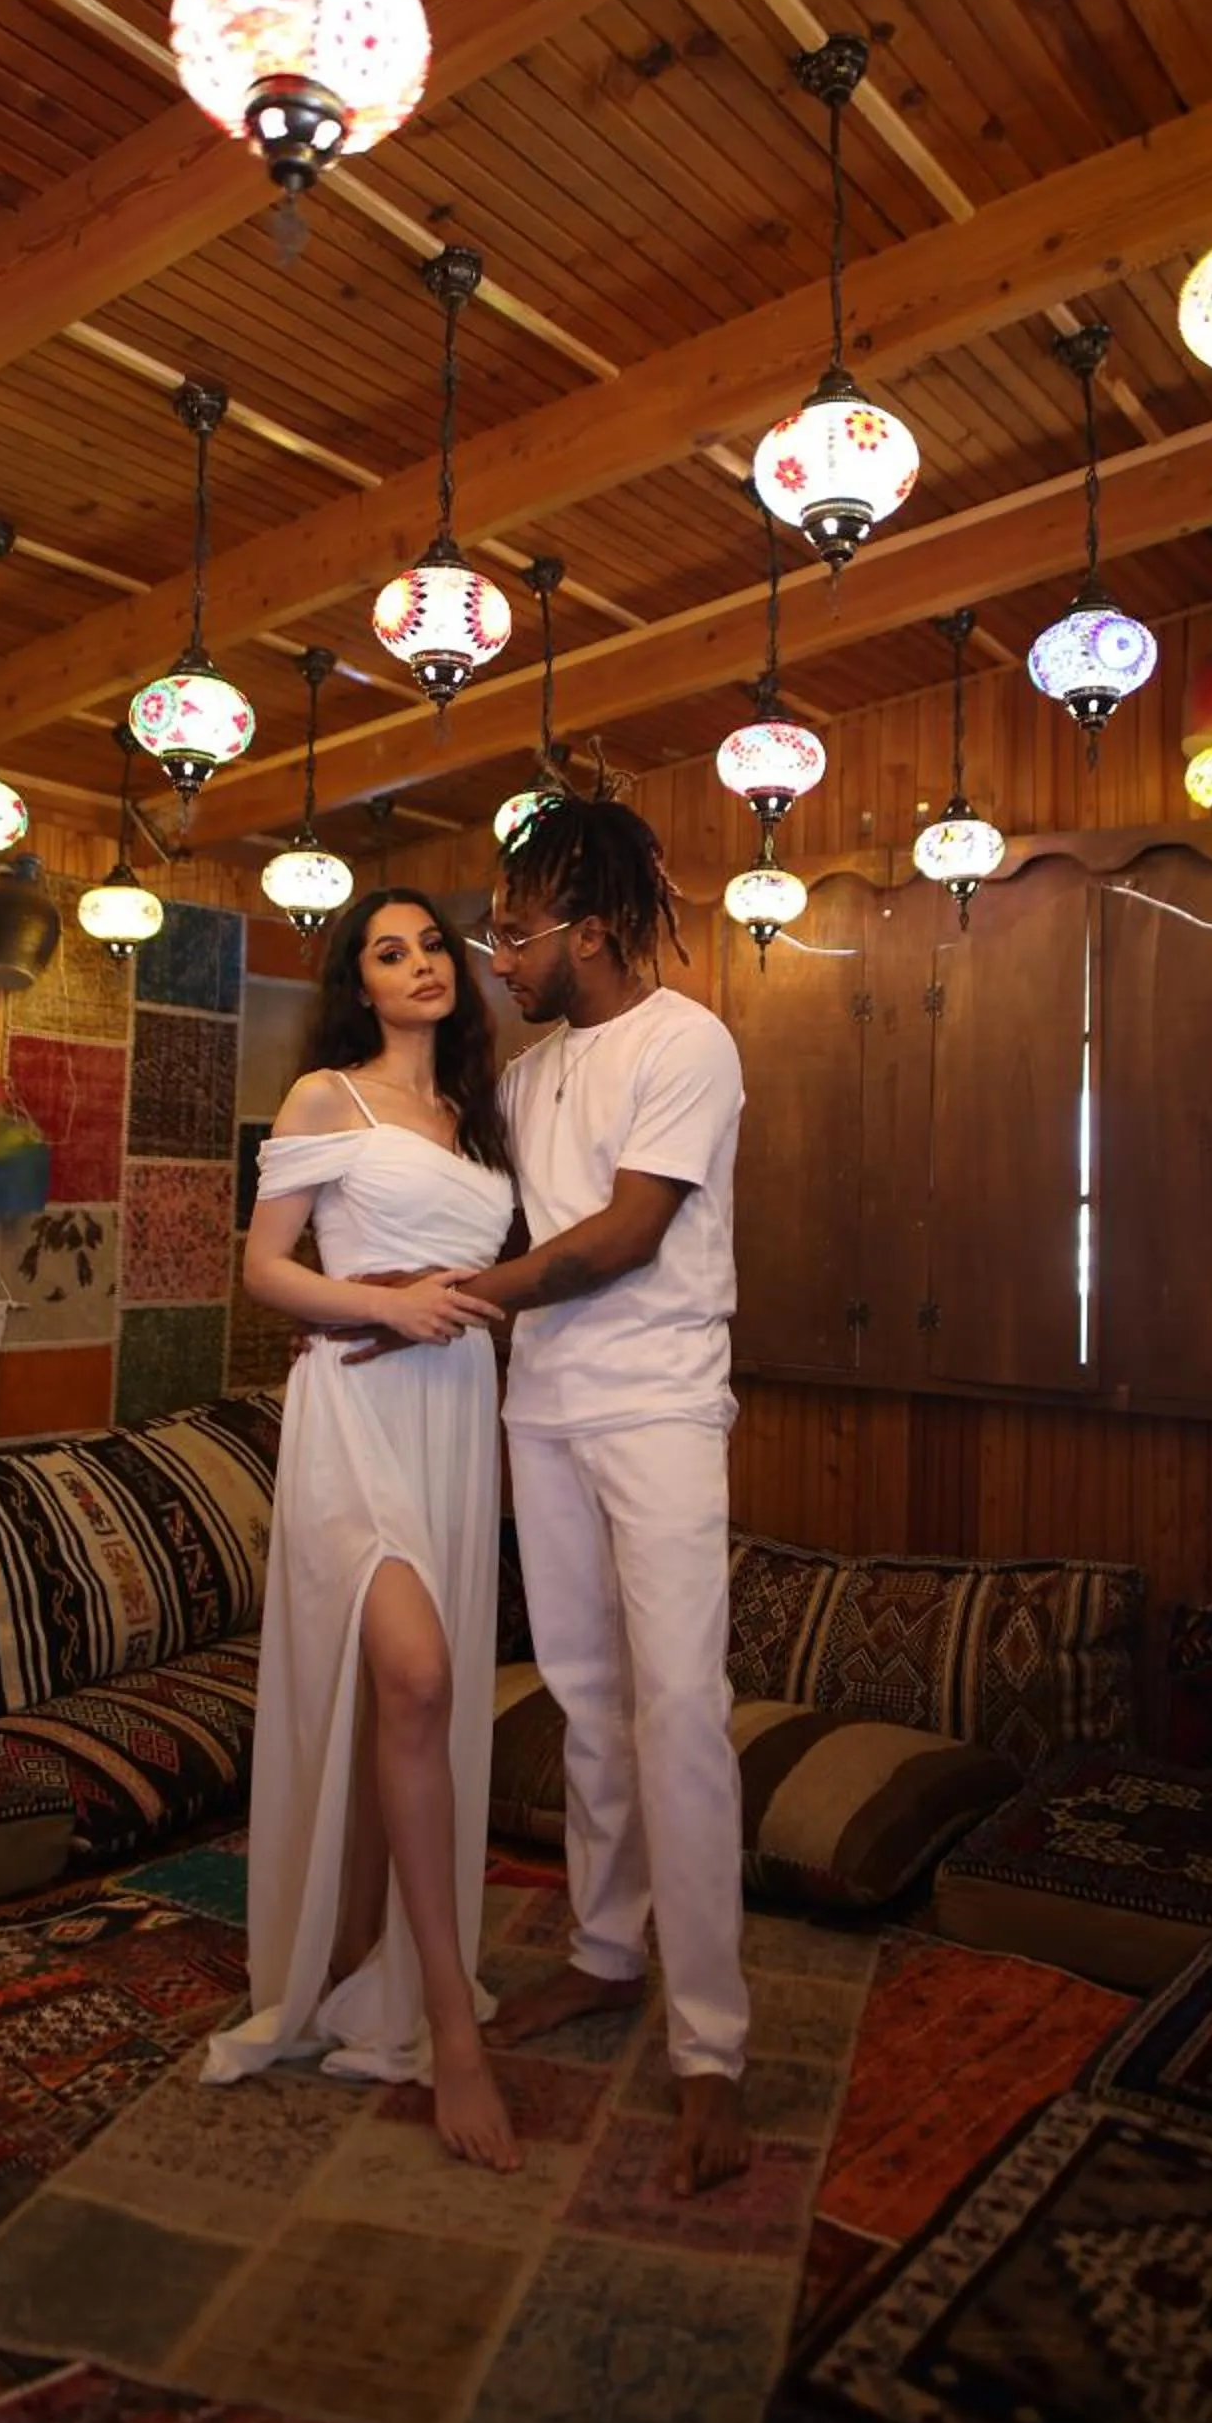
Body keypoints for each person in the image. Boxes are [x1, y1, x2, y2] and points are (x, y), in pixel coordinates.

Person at [200, 889, 519, 2173]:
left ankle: (356, 1953)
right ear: (360, 985)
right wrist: (377, 1307)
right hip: (354, 1413)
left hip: (458, 1423)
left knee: (419, 1711)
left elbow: (500, 1279)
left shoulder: (483, 1122)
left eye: (434, 944)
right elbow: (264, 1268)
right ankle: (451, 2028)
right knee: (419, 1672)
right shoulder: (330, 1097)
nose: (421, 964)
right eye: (391, 953)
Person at [465, 792, 751, 2196]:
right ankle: (600, 1949)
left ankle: (711, 2048)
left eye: (513, 935)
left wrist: (467, 1294)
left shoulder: (689, 1041)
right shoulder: (525, 1081)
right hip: (545, 1409)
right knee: (581, 1696)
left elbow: (624, 1238)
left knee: (678, 1709)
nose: (499, 962)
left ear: (588, 929)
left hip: (658, 1409)